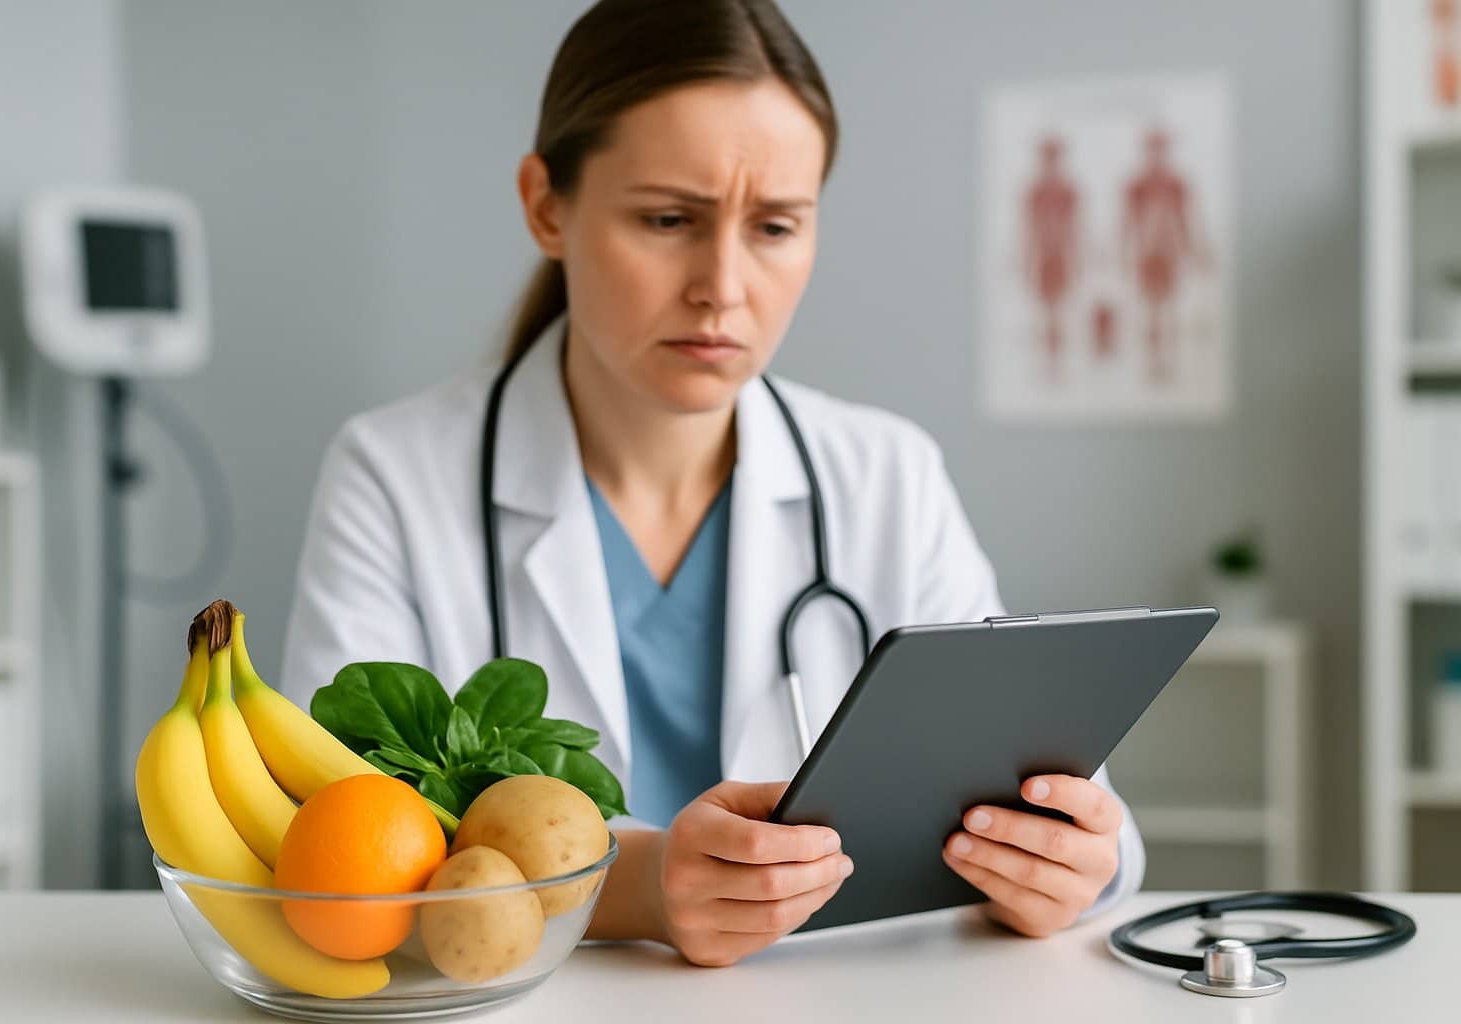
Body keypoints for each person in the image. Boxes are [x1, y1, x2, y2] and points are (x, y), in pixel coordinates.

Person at [281, 0, 1144, 967]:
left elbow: (1069, 807)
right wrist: (640, 886)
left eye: (775, 226)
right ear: (546, 206)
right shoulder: (394, 475)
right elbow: (334, 845)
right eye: (667, 219)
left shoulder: (885, 475)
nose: (723, 286)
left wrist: (1066, 868)